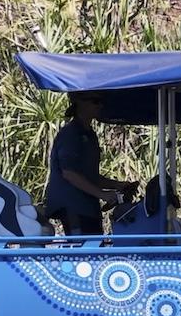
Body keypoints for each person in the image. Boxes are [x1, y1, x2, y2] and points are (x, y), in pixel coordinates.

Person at [43, 93, 138, 236]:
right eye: (95, 101)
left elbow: (90, 176)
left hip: (88, 207)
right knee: (83, 253)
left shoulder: (90, 135)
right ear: (80, 103)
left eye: (101, 101)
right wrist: (102, 194)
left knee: (96, 248)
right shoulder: (71, 134)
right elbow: (69, 173)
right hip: (73, 205)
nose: (100, 105)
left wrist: (118, 185)